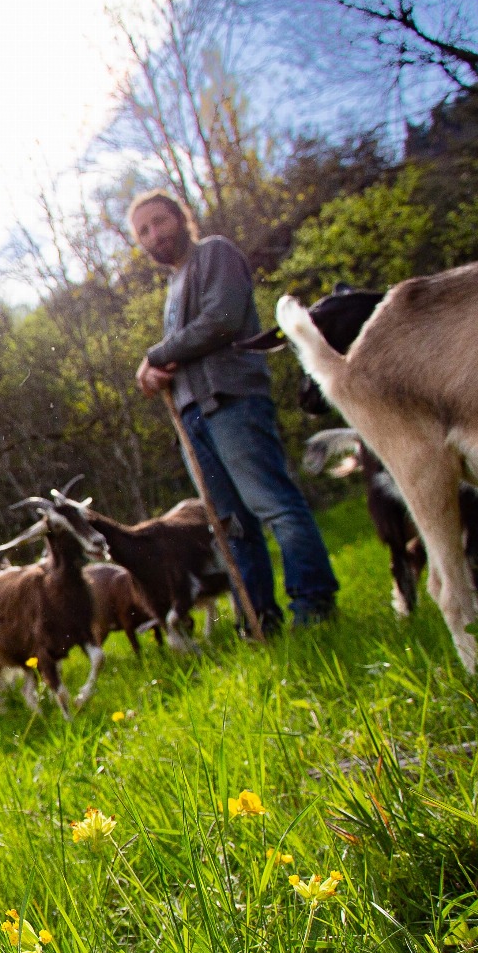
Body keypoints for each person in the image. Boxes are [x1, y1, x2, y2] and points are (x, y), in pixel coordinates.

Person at [129, 190, 338, 630]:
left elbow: (220, 319)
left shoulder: (215, 254)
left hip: (233, 401)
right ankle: (257, 618)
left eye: (159, 221)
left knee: (272, 504)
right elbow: (176, 355)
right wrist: (156, 372)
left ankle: (314, 605)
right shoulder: (172, 287)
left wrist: (157, 355)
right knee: (229, 526)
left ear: (181, 217)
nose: (154, 234)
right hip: (192, 416)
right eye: (143, 231)